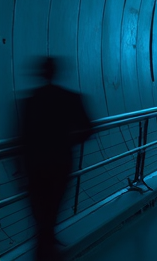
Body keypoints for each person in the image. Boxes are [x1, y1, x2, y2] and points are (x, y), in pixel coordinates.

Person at [20, 57, 93, 261]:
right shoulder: (71, 98)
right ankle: (49, 245)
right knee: (54, 204)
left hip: (35, 165)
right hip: (61, 161)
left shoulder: (30, 101)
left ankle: (44, 246)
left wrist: (19, 168)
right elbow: (89, 128)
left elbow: (22, 138)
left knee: (40, 207)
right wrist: (68, 140)